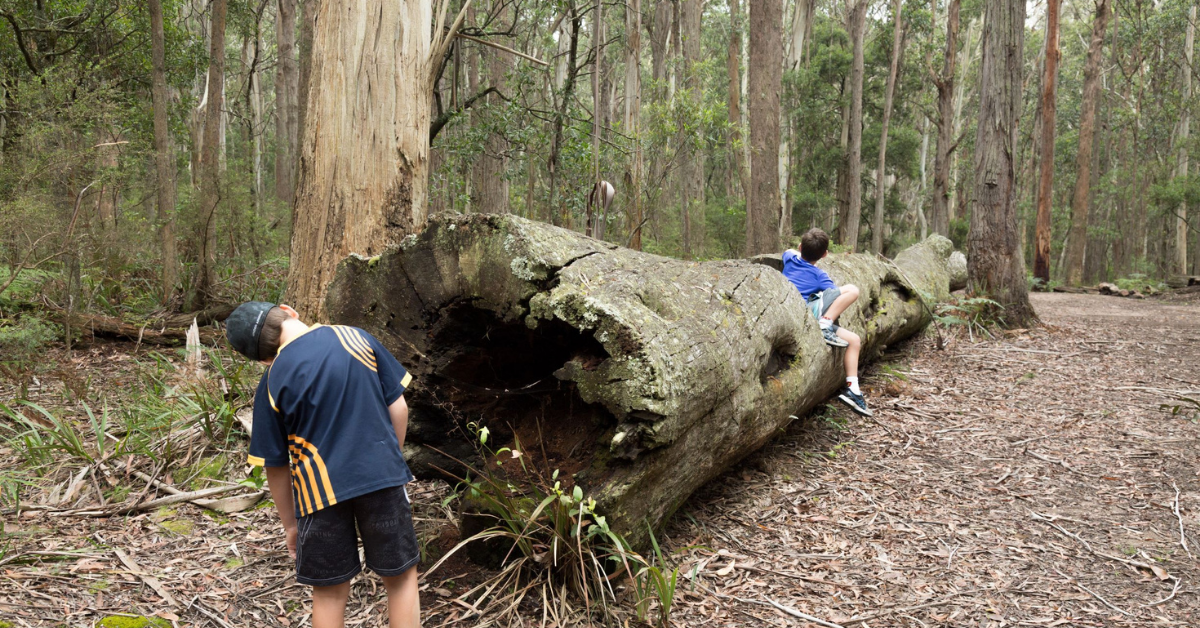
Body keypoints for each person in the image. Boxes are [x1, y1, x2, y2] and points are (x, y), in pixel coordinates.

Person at [225, 301, 420, 628]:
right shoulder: (355, 337)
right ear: (289, 310)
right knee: (400, 580)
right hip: (381, 478)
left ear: (262, 359)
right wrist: (390, 458)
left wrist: (290, 524)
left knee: (328, 594)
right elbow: (398, 406)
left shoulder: (271, 380)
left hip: (318, 496)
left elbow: (275, 465)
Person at [781, 229, 872, 416]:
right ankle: (826, 323)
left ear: (800, 247)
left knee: (854, 340)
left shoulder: (789, 257)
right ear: (825, 255)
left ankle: (853, 389)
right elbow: (835, 294)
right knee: (852, 290)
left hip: (803, 317)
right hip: (809, 316)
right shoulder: (819, 276)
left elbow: (791, 251)